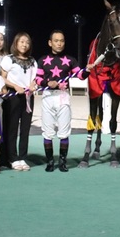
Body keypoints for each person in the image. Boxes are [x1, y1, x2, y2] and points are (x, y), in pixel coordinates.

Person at [35, 30, 86, 172]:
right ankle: (50, 162)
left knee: (64, 131)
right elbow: (37, 79)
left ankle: (62, 162)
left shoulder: (70, 60)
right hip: (47, 97)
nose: (59, 43)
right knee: (47, 132)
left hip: (63, 97)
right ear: (50, 43)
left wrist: (88, 69)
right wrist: (47, 83)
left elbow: (81, 75)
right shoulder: (42, 60)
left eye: (62, 41)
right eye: (56, 41)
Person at [0, 32, 38, 171]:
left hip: (28, 96)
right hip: (13, 96)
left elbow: (35, 78)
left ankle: (22, 157)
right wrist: (15, 86)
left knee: (25, 128)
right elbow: (2, 78)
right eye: (22, 41)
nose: (24, 44)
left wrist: (33, 85)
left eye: (27, 42)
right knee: (12, 127)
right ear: (16, 43)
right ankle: (12, 158)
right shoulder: (8, 59)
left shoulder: (33, 61)